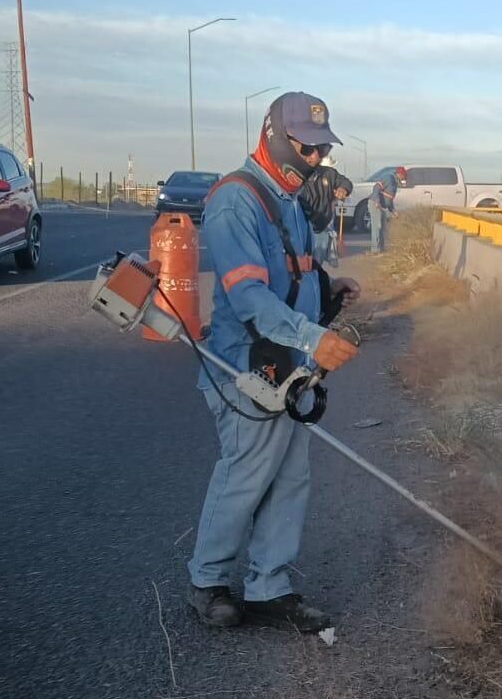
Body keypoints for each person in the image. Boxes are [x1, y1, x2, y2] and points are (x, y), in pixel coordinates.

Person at [188, 91, 361, 633]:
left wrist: (328, 290)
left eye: (321, 150)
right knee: (246, 475)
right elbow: (248, 298)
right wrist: (313, 337)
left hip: (290, 366)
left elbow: (293, 271)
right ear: (273, 136)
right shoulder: (235, 201)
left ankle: (270, 587)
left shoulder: (287, 199)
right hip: (247, 367)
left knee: (289, 477)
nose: (314, 158)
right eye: (305, 148)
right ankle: (208, 581)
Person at [299, 156, 353, 266]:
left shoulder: (329, 173)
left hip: (321, 227)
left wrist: (343, 189)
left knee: (317, 262)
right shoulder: (295, 176)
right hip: (302, 228)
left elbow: (346, 182)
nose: (310, 158)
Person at [369, 166, 406, 253]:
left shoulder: (395, 183)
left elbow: (389, 198)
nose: (404, 178)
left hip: (382, 206)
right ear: (399, 174)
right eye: (404, 176)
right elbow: (376, 187)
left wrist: (393, 211)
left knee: (382, 228)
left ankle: (381, 249)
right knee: (377, 226)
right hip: (375, 204)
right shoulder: (388, 178)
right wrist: (377, 201)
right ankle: (375, 250)